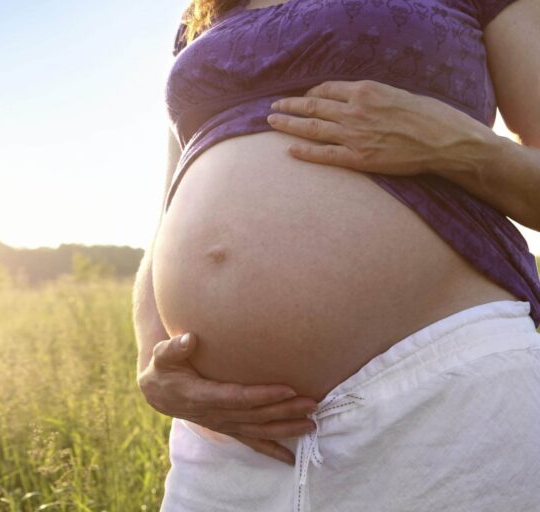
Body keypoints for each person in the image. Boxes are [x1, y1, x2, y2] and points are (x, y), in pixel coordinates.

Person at [132, 0, 540, 510]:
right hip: (229, 443)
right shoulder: (204, 15)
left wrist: (455, 145)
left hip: (442, 395)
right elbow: (168, 208)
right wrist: (152, 362)